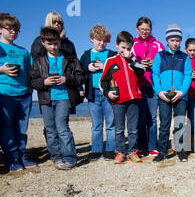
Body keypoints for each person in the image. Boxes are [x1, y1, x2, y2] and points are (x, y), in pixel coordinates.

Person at [29, 27, 85, 170]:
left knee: (62, 127)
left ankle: (69, 157)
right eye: (50, 44)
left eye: (56, 43)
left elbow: (80, 77)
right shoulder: (39, 61)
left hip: (64, 97)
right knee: (50, 129)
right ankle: (56, 156)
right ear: (43, 43)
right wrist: (43, 82)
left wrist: (67, 79)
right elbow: (32, 80)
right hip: (45, 99)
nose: (54, 47)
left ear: (59, 42)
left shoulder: (70, 59)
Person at [100, 31, 144, 164]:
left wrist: (131, 59)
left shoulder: (134, 60)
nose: (125, 50)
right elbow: (103, 81)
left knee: (133, 128)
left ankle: (132, 151)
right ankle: (120, 152)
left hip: (134, 99)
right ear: (117, 45)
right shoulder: (111, 61)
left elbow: (141, 72)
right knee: (119, 128)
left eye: (128, 48)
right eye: (123, 47)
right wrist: (107, 93)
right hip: (118, 101)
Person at [0, 13, 35, 172]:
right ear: (1, 29)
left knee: (22, 127)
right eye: (9, 29)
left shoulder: (23, 51)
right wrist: (2, 69)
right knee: (6, 126)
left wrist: (30, 88)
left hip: (24, 94)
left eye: (16, 30)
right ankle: (11, 158)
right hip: (5, 93)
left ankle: (22, 155)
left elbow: (29, 71)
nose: (13, 32)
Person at [152, 24, 192, 163]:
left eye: (177, 40)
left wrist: (182, 91)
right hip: (163, 96)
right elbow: (155, 75)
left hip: (181, 96)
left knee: (180, 123)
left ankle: (181, 151)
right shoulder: (159, 56)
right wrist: (159, 91)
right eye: (172, 40)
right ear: (167, 40)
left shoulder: (185, 57)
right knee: (164, 124)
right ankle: (162, 152)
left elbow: (188, 75)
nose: (175, 43)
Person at [80, 24, 116, 161]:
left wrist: (105, 67)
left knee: (111, 123)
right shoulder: (86, 55)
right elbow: (79, 72)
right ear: (91, 39)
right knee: (96, 124)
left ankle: (110, 149)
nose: (101, 43)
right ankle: (96, 150)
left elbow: (117, 72)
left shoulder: (112, 55)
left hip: (108, 93)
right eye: (98, 39)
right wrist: (87, 68)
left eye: (104, 40)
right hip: (93, 93)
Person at [131, 17, 165, 158]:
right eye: (142, 29)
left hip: (153, 85)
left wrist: (153, 64)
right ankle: (141, 146)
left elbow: (165, 61)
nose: (144, 32)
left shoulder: (157, 44)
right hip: (137, 85)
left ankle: (152, 146)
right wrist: (139, 65)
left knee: (152, 117)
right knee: (140, 117)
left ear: (151, 29)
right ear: (137, 29)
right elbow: (128, 61)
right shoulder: (132, 43)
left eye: (147, 29)